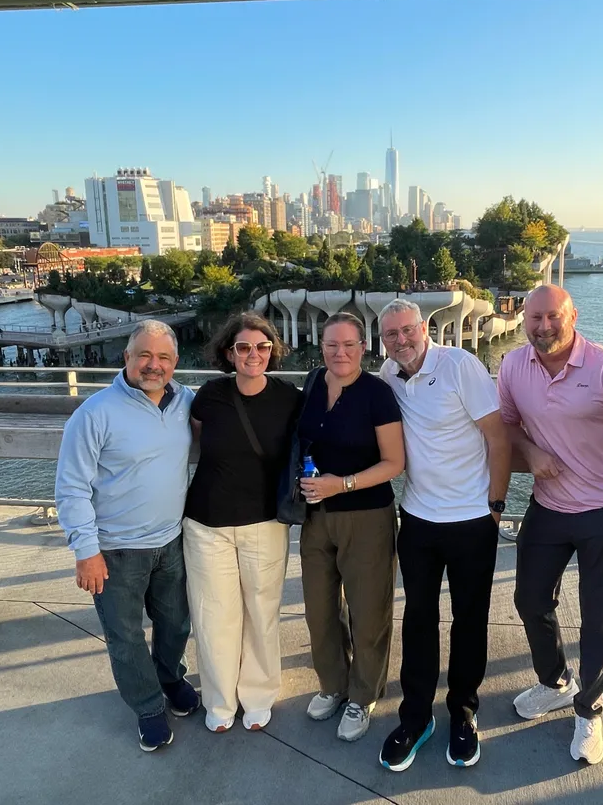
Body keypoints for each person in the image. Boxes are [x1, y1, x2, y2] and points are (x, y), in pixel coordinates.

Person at [498, 284, 603, 764]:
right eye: (535, 318)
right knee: (529, 601)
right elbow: (505, 424)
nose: (543, 327)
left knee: (599, 620)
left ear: (573, 316)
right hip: (547, 507)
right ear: (523, 320)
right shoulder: (512, 365)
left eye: (553, 316)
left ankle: (589, 711)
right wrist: (530, 451)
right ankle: (555, 681)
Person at [376, 299, 511, 772]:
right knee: (417, 621)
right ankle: (415, 717)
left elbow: (498, 437)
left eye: (408, 330)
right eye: (391, 334)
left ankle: (463, 712)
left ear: (424, 327)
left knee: (469, 621)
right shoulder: (388, 375)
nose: (401, 341)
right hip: (416, 520)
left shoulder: (460, 366)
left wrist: (495, 508)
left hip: (472, 519)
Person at [54, 319, 200, 753]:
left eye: (164, 358)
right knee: (126, 636)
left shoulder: (185, 402)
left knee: (176, 623)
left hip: (170, 541)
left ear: (175, 363)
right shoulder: (94, 413)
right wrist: (86, 551)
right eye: (144, 356)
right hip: (115, 550)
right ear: (127, 358)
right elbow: (71, 486)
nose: (153, 366)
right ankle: (148, 705)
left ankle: (171, 678)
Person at [183, 312, 302, 733]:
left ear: (273, 351)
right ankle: (219, 701)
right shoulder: (209, 395)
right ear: (228, 353)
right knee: (213, 615)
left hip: (266, 522)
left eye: (263, 347)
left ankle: (258, 693)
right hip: (206, 523)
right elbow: (192, 437)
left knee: (262, 612)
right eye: (244, 347)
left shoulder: (290, 397)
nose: (254, 355)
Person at [298, 313, 405, 743]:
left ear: (364, 347)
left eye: (348, 345)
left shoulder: (377, 394)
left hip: (366, 517)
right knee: (319, 610)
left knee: (368, 612)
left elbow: (395, 463)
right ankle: (333, 683)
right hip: (314, 517)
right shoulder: (311, 384)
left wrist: (338, 485)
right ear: (320, 346)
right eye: (330, 345)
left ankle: (362, 694)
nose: (338, 353)